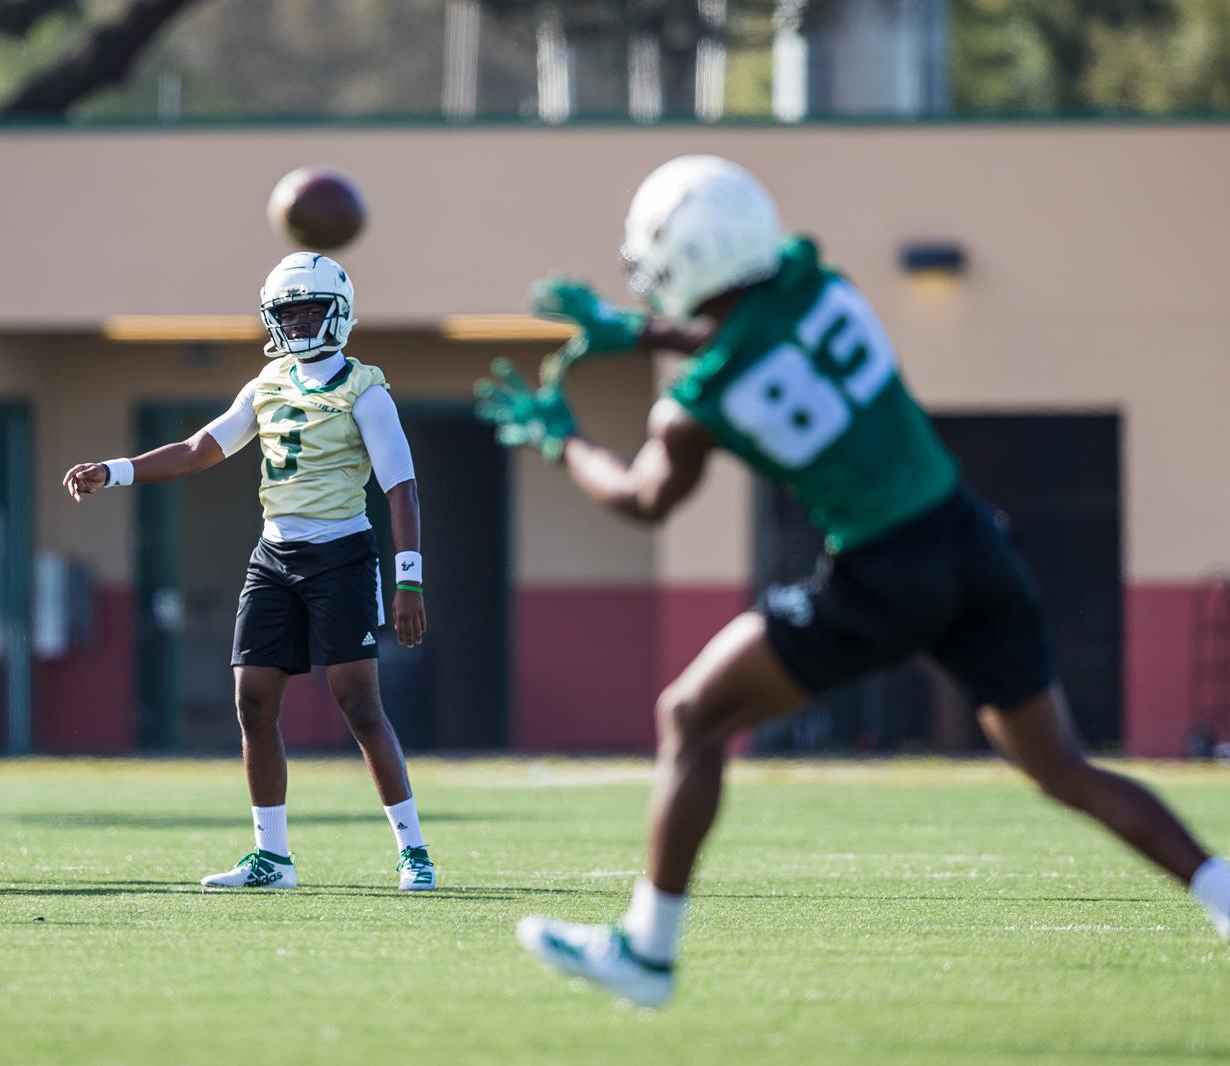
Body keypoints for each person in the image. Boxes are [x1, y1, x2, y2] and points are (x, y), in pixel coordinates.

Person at [477, 155, 1230, 1008]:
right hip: (971, 539)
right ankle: (1223, 894)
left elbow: (646, 499)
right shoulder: (824, 287)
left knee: (690, 716)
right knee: (1060, 766)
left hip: (883, 572)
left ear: (684, 260)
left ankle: (648, 953)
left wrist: (563, 440)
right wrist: (644, 332)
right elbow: (762, 336)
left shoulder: (694, 406)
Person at [63, 252, 435, 891]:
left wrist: (408, 579)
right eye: (287, 313)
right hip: (274, 556)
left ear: (338, 313)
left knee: (358, 703)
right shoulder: (265, 384)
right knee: (252, 700)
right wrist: (115, 469)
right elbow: (196, 450)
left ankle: (413, 851)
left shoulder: (364, 389)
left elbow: (401, 486)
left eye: (310, 309)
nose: (298, 323)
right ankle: (272, 857)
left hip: (342, 556)